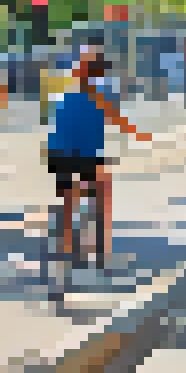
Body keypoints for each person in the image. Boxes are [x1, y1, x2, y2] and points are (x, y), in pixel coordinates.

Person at [45, 54, 150, 273]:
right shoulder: (98, 99)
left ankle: (67, 245)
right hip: (83, 157)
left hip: (60, 156)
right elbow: (121, 123)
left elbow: (57, 133)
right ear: (98, 76)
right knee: (102, 189)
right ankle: (102, 246)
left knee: (68, 197)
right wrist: (141, 135)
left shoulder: (64, 98)